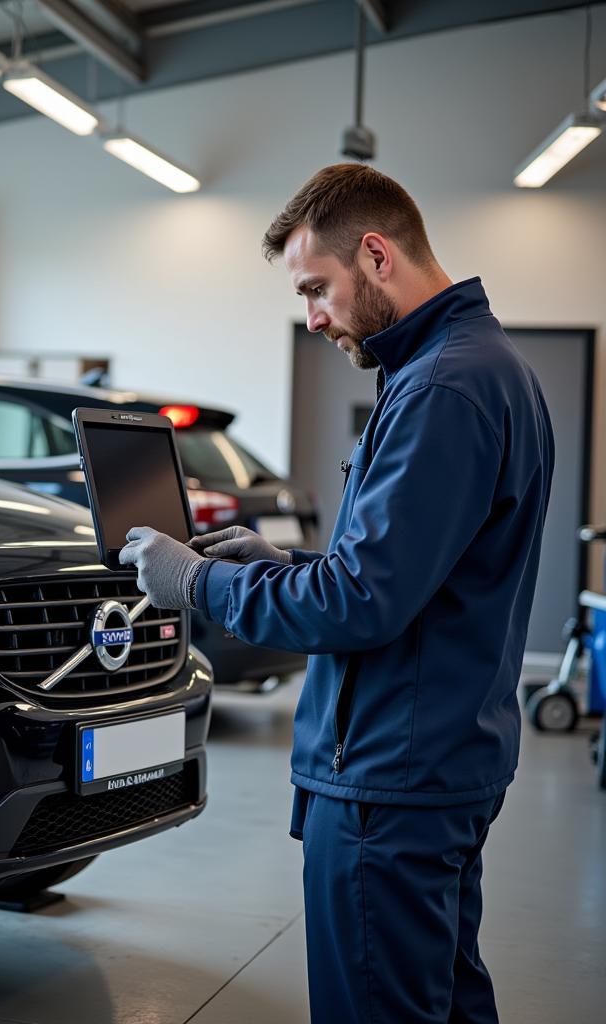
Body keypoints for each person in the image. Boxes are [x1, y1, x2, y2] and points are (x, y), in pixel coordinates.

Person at [119, 163, 554, 1023]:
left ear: (378, 254)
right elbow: (409, 573)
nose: (313, 316)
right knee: (442, 1000)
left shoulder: (442, 386)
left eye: (318, 288)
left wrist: (199, 580)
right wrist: (275, 565)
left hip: (391, 774)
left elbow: (361, 604)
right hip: (435, 757)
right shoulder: (469, 366)